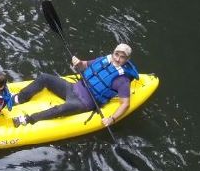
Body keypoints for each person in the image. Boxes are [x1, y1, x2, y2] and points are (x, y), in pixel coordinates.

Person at [12, 43, 140, 128]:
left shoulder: (122, 80)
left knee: (60, 109)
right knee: (44, 77)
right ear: (113, 53)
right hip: (73, 88)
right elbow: (84, 64)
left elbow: (125, 104)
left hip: (84, 102)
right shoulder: (103, 60)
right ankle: (19, 98)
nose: (117, 59)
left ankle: (29, 119)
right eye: (116, 54)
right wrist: (78, 62)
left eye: (122, 57)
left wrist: (112, 119)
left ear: (126, 60)